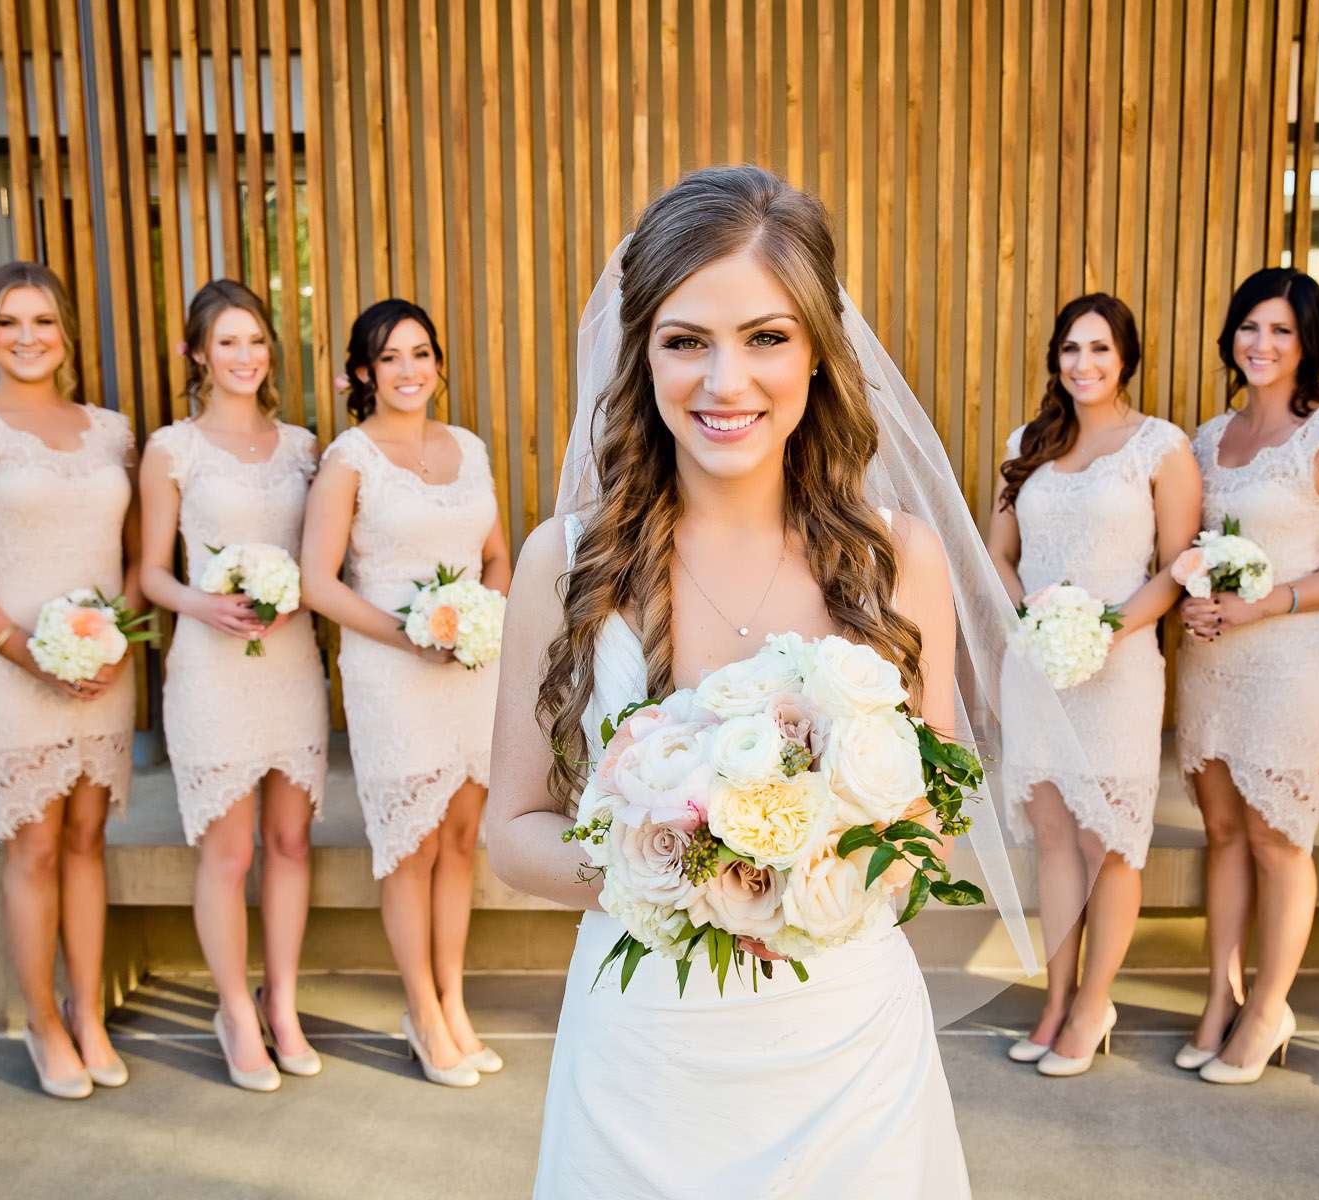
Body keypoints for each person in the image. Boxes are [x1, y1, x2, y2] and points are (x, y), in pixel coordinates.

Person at [487, 165, 1076, 1198]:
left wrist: (813, 873)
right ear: (641, 355)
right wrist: (683, 878)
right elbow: (511, 830)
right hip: (646, 1059)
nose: (726, 383)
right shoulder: (564, 560)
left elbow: (932, 817)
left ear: (817, 351)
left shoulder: (898, 560)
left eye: (765, 337)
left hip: (847, 1050)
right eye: (686, 341)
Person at [0, 261, 138, 1099]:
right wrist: (26, 648)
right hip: (13, 671)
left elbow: (133, 563)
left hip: (101, 666)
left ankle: (88, 1015)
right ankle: (42, 1022)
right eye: (11, 322)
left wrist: (117, 637)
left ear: (64, 333)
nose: (29, 337)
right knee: (34, 846)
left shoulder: (112, 432)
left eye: (43, 320)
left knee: (87, 842)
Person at [1175, 267, 1319, 1084]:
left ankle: (1270, 1007)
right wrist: (1194, 605)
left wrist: (1270, 603)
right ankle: (1218, 998)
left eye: (1281, 332)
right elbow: (1188, 555)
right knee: (1222, 833)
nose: (1262, 345)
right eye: (1250, 328)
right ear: (1230, 336)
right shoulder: (1204, 439)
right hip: (1213, 658)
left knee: (1277, 837)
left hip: (1294, 661)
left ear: (1307, 345)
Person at [986, 294, 1200, 1075]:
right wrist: (1033, 624)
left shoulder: (1161, 447)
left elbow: (1179, 565)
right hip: (1037, 665)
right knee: (1051, 839)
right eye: (1071, 348)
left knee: (1106, 844)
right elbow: (998, 552)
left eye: (1100, 349)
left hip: (1119, 667)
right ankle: (1053, 998)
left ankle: (1092, 1004)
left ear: (1126, 358)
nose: (1083, 364)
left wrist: (1105, 629)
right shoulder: (1029, 442)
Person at [301, 300, 510, 1087]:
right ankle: (421, 1011)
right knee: (410, 847)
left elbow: (494, 555)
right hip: (392, 672)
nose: (410, 369)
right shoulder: (349, 458)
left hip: (469, 668)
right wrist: (411, 632)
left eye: (421, 352)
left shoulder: (469, 448)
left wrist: (485, 614)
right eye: (390, 357)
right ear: (362, 373)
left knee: (460, 838)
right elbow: (318, 582)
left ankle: (455, 1003)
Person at [140, 279, 328, 1091]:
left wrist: (293, 594)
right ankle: (231, 1010)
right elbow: (147, 572)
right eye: (227, 343)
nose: (245, 357)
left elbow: (323, 560)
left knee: (289, 842)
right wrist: (201, 603)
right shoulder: (170, 449)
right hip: (210, 668)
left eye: (256, 341)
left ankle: (279, 1003)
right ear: (197, 354)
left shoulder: (304, 446)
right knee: (228, 850)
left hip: (290, 662)